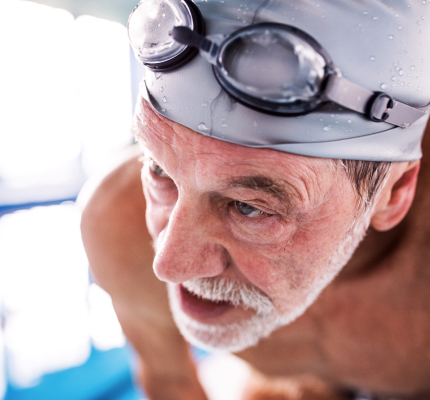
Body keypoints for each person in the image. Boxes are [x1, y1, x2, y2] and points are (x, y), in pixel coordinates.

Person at [80, 0, 430, 398]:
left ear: (394, 193)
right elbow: (172, 387)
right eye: (160, 171)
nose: (168, 264)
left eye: (249, 206)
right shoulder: (116, 226)